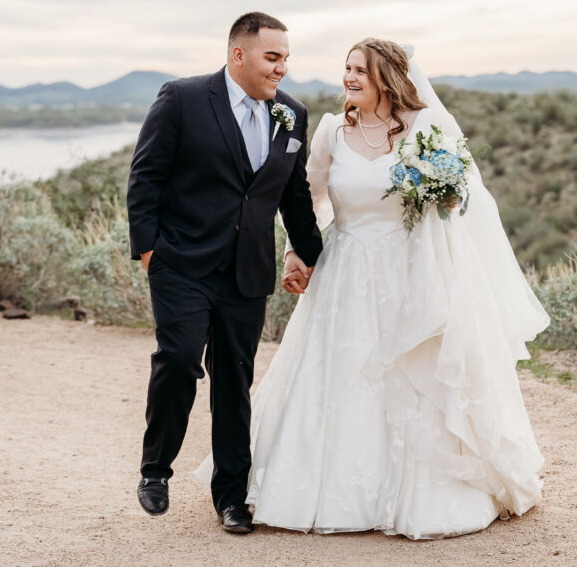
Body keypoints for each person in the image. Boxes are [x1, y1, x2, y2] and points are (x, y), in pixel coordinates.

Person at [199, 38, 550, 539]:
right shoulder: (330, 132)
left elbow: (457, 203)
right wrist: (295, 254)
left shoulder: (424, 129)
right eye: (346, 68)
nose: (350, 77)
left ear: (387, 76)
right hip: (344, 275)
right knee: (335, 376)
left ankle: (416, 491)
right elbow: (308, 201)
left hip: (409, 273)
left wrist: (441, 194)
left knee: (409, 378)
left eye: (360, 69)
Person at [127, 12, 323, 534]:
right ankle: (155, 469)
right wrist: (150, 253)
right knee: (180, 356)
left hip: (248, 271)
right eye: (272, 57)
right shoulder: (183, 99)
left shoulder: (292, 114)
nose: (282, 68)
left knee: (235, 381)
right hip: (181, 265)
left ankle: (232, 499)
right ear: (239, 54)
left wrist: (311, 254)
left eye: (286, 58)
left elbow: (293, 194)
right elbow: (145, 176)